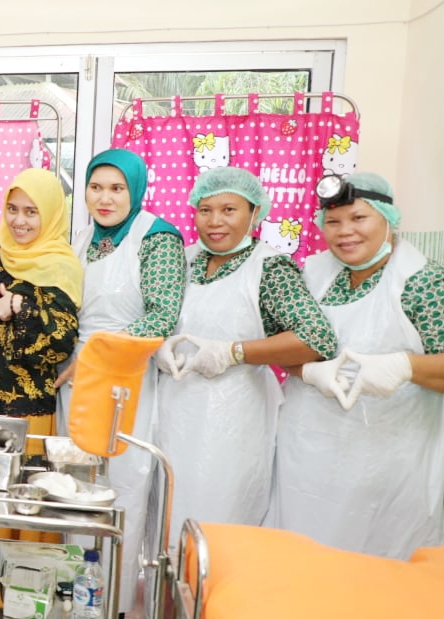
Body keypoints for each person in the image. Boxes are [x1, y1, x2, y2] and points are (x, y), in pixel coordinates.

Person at [155, 166, 336, 543]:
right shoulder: (182, 261)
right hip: (172, 414)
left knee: (217, 529)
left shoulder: (269, 268)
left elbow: (315, 338)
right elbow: (154, 315)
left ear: (255, 213)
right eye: (205, 210)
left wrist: (233, 352)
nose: (214, 222)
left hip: (232, 425)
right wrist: (156, 345)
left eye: (229, 210)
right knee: (167, 522)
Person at [272, 172, 444, 557]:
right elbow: (283, 346)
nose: (345, 231)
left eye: (359, 218)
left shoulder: (422, 281)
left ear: (389, 218)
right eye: (333, 221)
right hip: (307, 458)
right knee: (303, 562)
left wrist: (404, 367)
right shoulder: (311, 273)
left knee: (374, 571)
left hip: (387, 468)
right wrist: (310, 371)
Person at [54, 148, 186, 613]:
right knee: (73, 484)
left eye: (116, 188)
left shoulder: (157, 237)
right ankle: (75, 597)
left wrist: (97, 354)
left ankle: (114, 603)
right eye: (95, 187)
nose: (104, 198)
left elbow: (162, 315)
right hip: (75, 379)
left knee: (123, 486)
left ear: (136, 190)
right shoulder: (82, 239)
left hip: (125, 380)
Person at [0, 168, 82, 613]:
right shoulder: (1, 252)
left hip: (30, 408)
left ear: (50, 214)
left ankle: (26, 605)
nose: (19, 221)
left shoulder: (61, 264)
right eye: (12, 209)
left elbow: (59, 343)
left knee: (28, 511)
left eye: (32, 212)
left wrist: (18, 306)